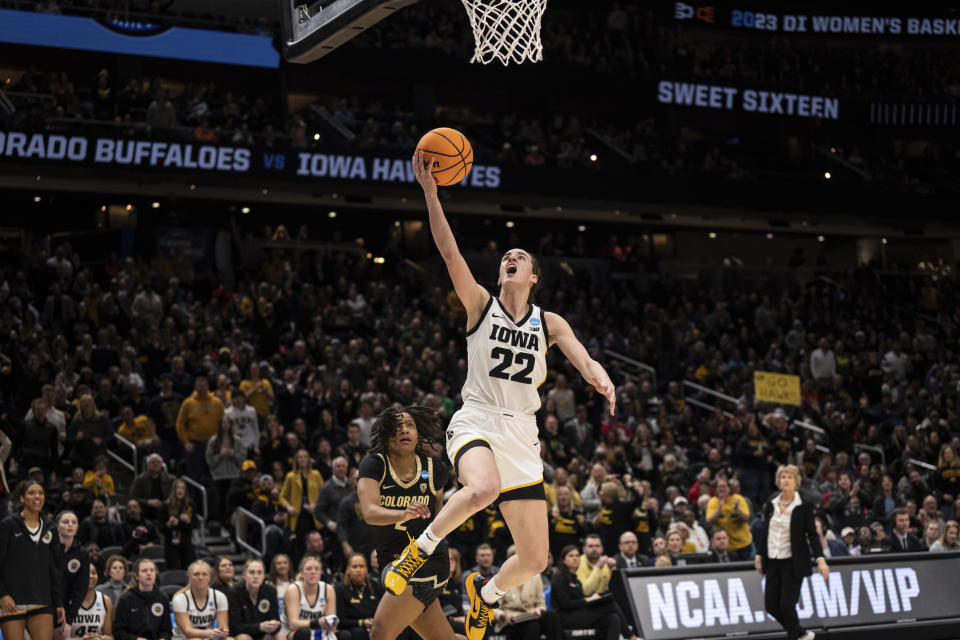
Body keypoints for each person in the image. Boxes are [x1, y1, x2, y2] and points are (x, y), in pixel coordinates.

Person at [386, 149, 617, 640]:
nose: (511, 258)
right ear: (499, 275)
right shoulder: (480, 306)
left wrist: (600, 375)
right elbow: (449, 252)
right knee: (482, 488)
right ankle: (420, 548)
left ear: (533, 278)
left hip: (522, 434)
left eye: (522, 258)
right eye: (506, 258)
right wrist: (430, 193)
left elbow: (580, 353)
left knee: (536, 559)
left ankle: (484, 594)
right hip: (477, 419)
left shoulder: (547, 321)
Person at [355, 406, 462, 640]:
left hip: (425, 560)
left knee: (380, 633)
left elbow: (440, 514)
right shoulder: (374, 465)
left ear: (418, 433)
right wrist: (402, 513)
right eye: (397, 426)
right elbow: (370, 512)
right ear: (386, 434)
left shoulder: (435, 469)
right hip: (392, 563)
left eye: (410, 425)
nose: (404, 430)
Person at [755, 465, 829, 640]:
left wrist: (820, 559)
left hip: (793, 562)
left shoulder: (804, 506)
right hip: (773, 560)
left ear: (796, 481)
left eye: (789, 477)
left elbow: (812, 533)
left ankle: (795, 636)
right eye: (783, 477)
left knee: (787, 605)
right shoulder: (771, 504)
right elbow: (766, 531)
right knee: (772, 606)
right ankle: (801, 633)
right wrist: (759, 554)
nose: (786, 480)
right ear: (778, 481)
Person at [0, 481, 64, 640]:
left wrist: (59, 602)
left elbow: (54, 568)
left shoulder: (51, 527)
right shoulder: (8, 525)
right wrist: (2, 594)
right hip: (12, 602)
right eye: (31, 493)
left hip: (41, 600)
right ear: (21, 498)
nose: (37, 496)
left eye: (41, 493)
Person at [550, 546, 637, 640]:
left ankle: (629, 636)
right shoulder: (559, 578)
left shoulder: (576, 580)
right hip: (565, 619)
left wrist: (593, 599)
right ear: (563, 560)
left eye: (577, 555)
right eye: (571, 556)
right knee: (610, 604)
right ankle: (631, 636)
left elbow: (580, 601)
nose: (575, 558)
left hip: (578, 615)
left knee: (613, 617)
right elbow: (565, 604)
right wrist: (587, 600)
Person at [491, 546, 559, 640]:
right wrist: (503, 615)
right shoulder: (500, 579)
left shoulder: (535, 577)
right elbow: (492, 609)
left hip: (531, 616)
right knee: (533, 626)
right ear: (510, 561)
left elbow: (541, 604)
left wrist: (538, 610)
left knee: (552, 615)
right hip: (510, 622)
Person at [280, 555, 340, 640]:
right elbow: (293, 624)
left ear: (320, 573)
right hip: (293, 632)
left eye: (316, 569)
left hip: (318, 630)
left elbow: (332, 622)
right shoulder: (293, 590)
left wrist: (329, 623)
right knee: (304, 632)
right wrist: (317, 622)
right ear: (301, 572)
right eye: (309, 569)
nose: (313, 572)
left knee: (344, 635)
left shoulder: (328, 589)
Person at [112, 559, 172, 640]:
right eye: (144, 571)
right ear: (137, 576)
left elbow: (167, 630)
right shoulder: (126, 599)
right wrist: (136, 639)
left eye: (152, 570)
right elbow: (118, 631)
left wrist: (163, 638)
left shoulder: (163, 598)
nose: (149, 573)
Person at [171, 560, 230, 640]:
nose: (200, 577)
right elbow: (188, 632)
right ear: (189, 578)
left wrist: (223, 632)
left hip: (209, 637)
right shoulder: (180, 599)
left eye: (204, 574)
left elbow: (223, 627)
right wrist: (210, 633)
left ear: (210, 577)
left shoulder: (220, 597)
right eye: (196, 574)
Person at [227, 559, 281, 640]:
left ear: (263, 576)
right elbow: (235, 627)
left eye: (259, 573)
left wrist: (273, 626)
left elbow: (276, 620)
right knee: (244, 638)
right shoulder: (234, 593)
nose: (256, 576)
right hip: (243, 634)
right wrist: (259, 627)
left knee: (280, 635)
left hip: (264, 634)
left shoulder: (271, 591)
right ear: (244, 575)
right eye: (252, 572)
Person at [279, 449, 324, 545]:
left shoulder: (316, 474)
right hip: (298, 514)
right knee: (301, 543)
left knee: (316, 541)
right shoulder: (290, 476)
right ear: (296, 460)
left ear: (308, 459)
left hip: (313, 513)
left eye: (305, 457)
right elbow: (282, 496)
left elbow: (324, 494)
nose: (302, 459)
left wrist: (316, 505)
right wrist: (288, 507)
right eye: (300, 457)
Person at [334, 553, 383, 640]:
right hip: (353, 629)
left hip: (376, 626)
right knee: (359, 632)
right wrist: (361, 622)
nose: (358, 570)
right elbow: (340, 621)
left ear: (367, 569)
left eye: (361, 566)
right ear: (348, 569)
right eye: (355, 566)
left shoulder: (376, 586)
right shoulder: (340, 589)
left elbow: (384, 611)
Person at [705, 475, 753, 561]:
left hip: (742, 544)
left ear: (729, 488)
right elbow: (708, 521)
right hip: (725, 546)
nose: (722, 488)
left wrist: (737, 510)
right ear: (716, 489)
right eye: (719, 487)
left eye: (724, 486)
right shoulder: (713, 502)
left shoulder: (739, 499)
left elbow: (746, 518)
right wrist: (718, 509)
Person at [58, 511, 91, 632]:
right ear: (57, 526)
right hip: (42, 607)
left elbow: (80, 589)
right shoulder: (47, 548)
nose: (70, 525)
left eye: (74, 522)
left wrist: (70, 620)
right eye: (65, 522)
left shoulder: (82, 553)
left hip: (64, 611)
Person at [68, 564, 113, 640]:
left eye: (94, 573)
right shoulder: (67, 600)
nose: (91, 576)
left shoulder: (105, 600)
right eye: (86, 573)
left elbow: (109, 635)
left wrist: (104, 638)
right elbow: (58, 638)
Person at [162, 479, 197, 570]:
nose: (180, 490)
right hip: (171, 543)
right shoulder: (165, 505)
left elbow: (195, 524)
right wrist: (169, 524)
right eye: (178, 488)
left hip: (186, 541)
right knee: (174, 569)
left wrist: (187, 521)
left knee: (189, 568)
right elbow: (161, 527)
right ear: (173, 490)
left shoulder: (190, 505)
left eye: (183, 488)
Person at [130, 453, 174, 521]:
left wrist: (166, 503)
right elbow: (133, 497)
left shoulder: (170, 479)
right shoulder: (140, 479)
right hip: (145, 511)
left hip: (165, 510)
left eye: (158, 462)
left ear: (161, 465)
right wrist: (148, 502)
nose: (155, 464)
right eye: (152, 462)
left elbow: (174, 495)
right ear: (148, 465)